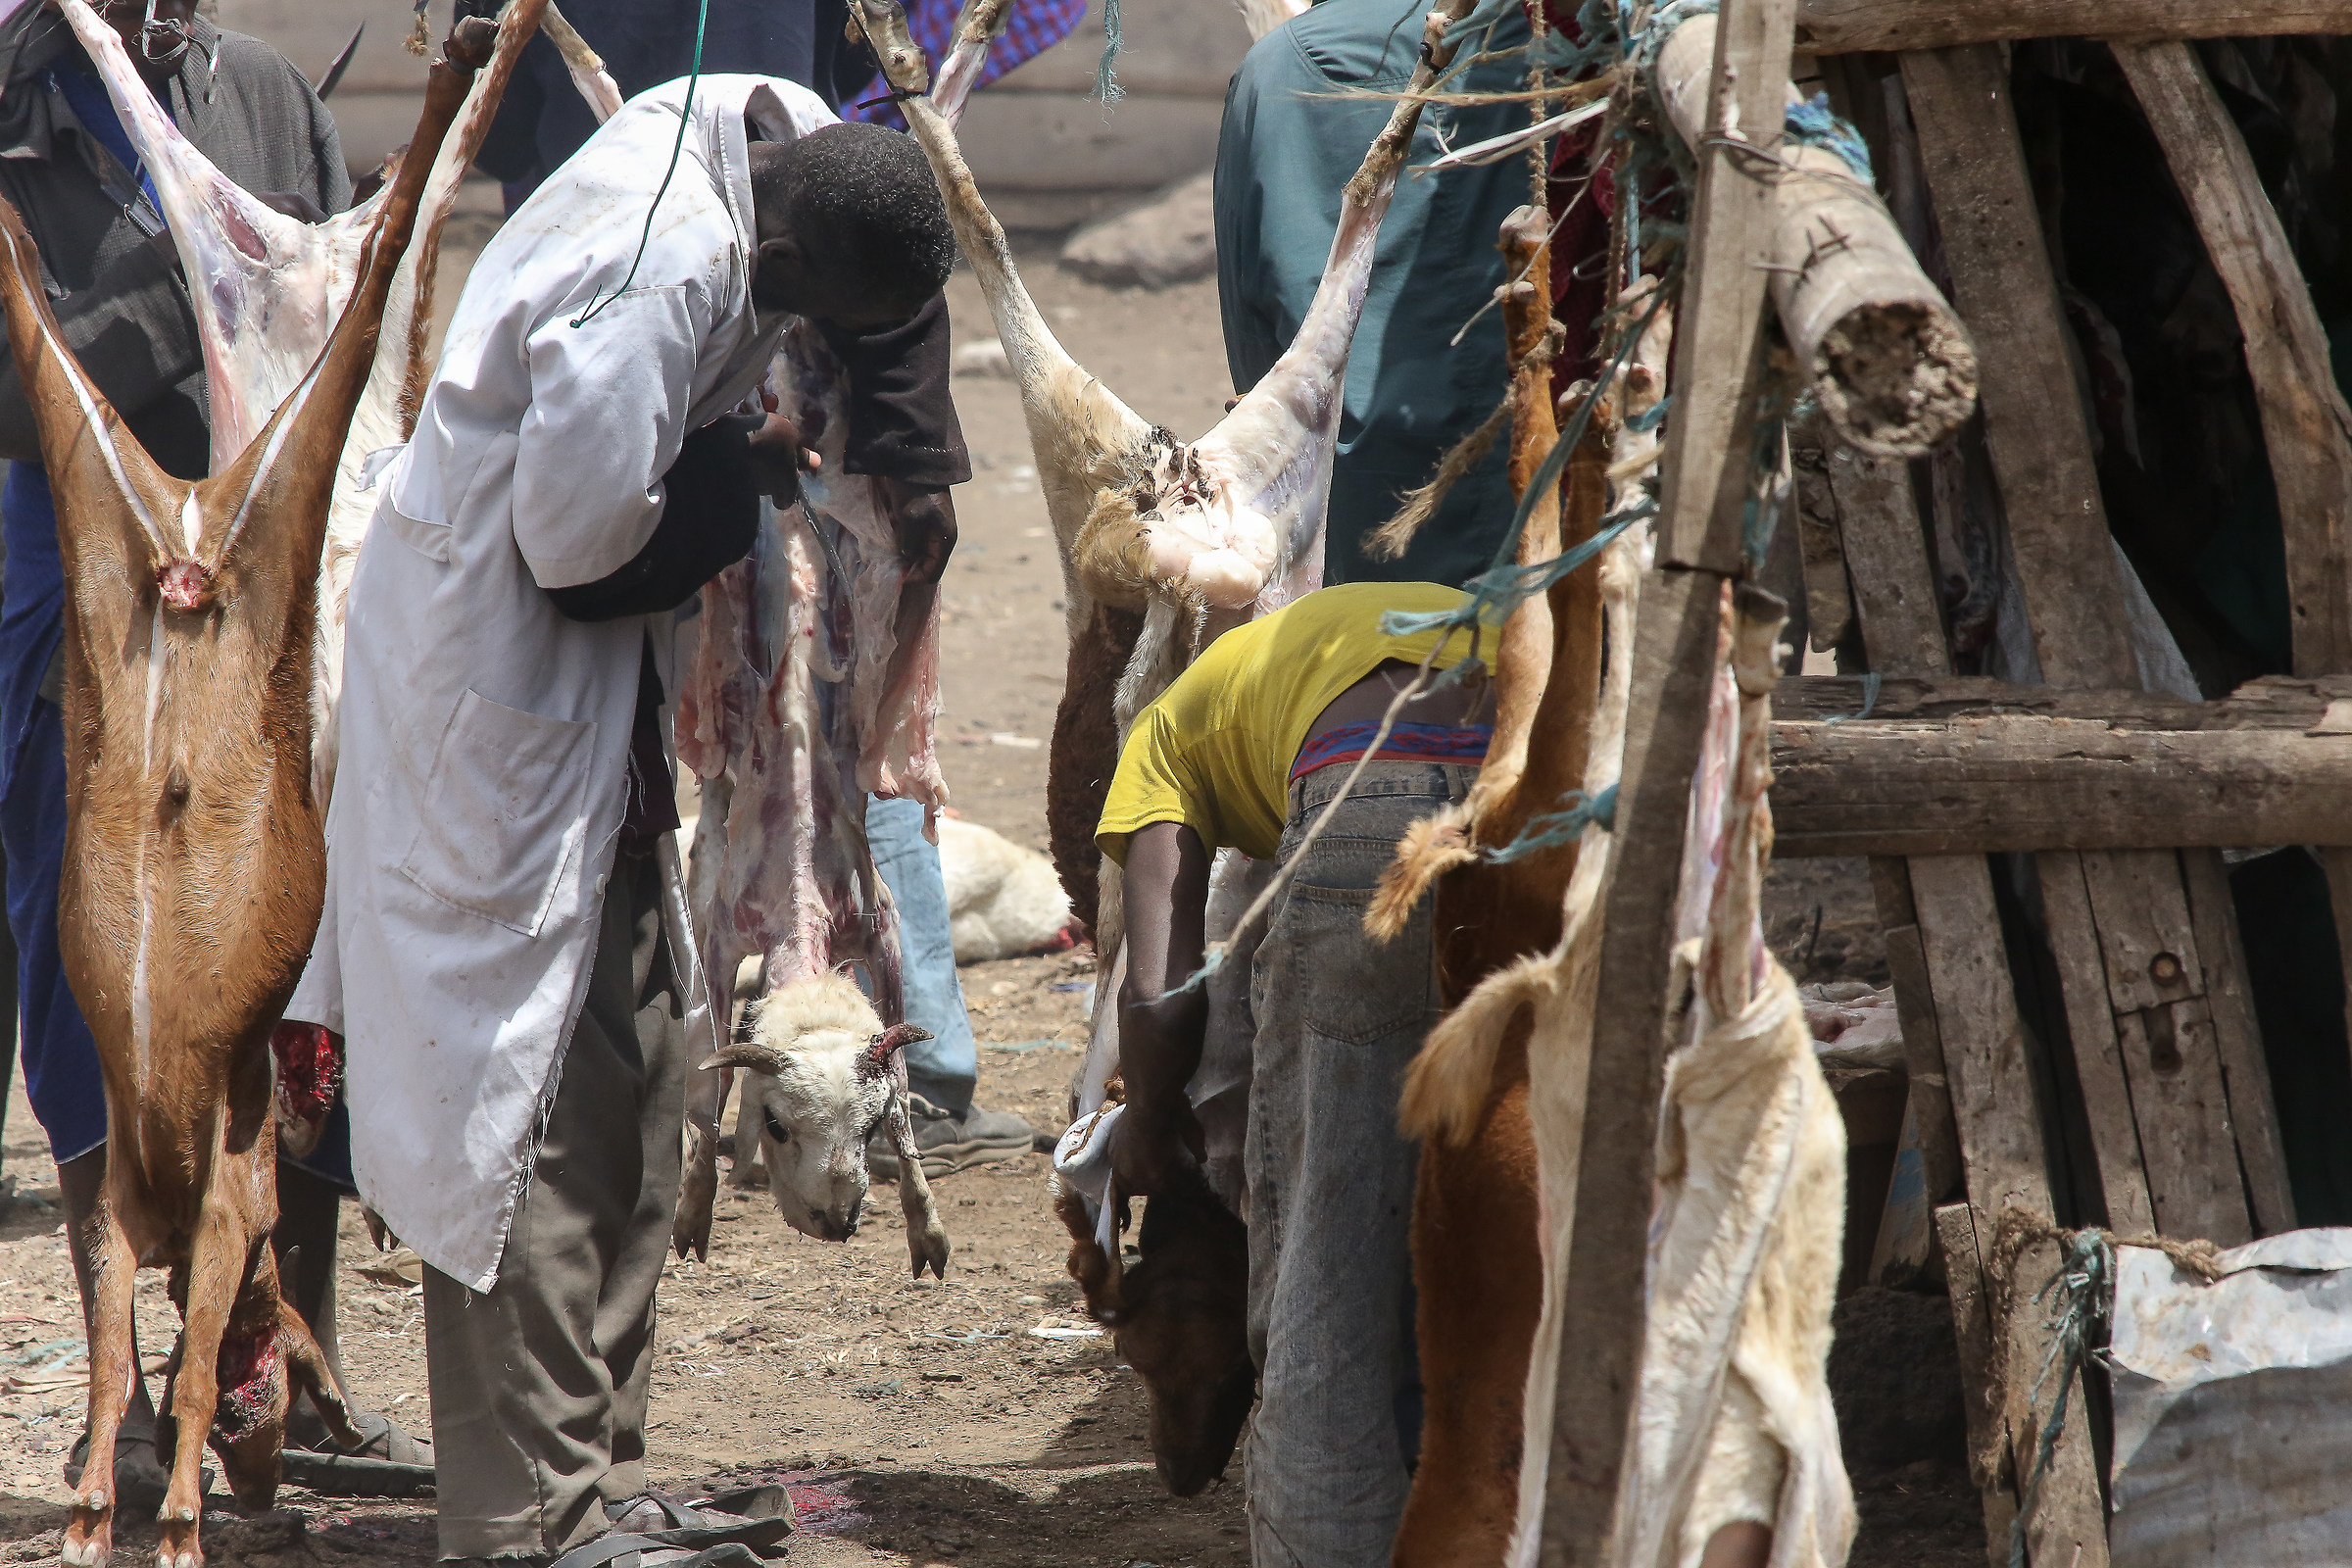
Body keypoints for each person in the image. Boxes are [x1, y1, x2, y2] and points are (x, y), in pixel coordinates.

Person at [287, 78, 964, 1567]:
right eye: (806, 326)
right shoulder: (656, 269)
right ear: (783, 271)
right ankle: (526, 1524)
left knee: (642, 1075)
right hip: (498, 707)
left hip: (591, 731)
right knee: (531, 1117)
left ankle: (591, 1481)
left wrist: (737, 456)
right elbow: (582, 555)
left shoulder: (765, 132)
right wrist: (736, 479)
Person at [471, 0, 1040, 1179]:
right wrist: (880, 447)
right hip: (753, 381)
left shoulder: (705, 190)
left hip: (754, 347)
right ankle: (881, 1066)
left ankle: (864, 1062)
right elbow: (847, 172)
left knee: (796, 735)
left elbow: (843, 176)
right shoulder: (678, 261)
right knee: (803, 729)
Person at [0, 0, 420, 1505]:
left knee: (283, 954)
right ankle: (120, 1398)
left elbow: (322, 328)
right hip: (62, 555)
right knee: (85, 955)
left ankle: (281, 1362)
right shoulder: (17, 94)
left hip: (253, 576)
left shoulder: (252, 95)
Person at [1102, 581, 1492, 1568]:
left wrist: (1149, 1114)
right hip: (1543, 755)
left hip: (1373, 793)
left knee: (1325, 1273)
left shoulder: (1157, 737)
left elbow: (1157, 995)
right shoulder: (1287, 659)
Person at [1214, 0, 1536, 588]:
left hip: (1349, 550)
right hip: (1553, 522)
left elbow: (1256, 355)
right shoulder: (1577, 54)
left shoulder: (1285, 69)